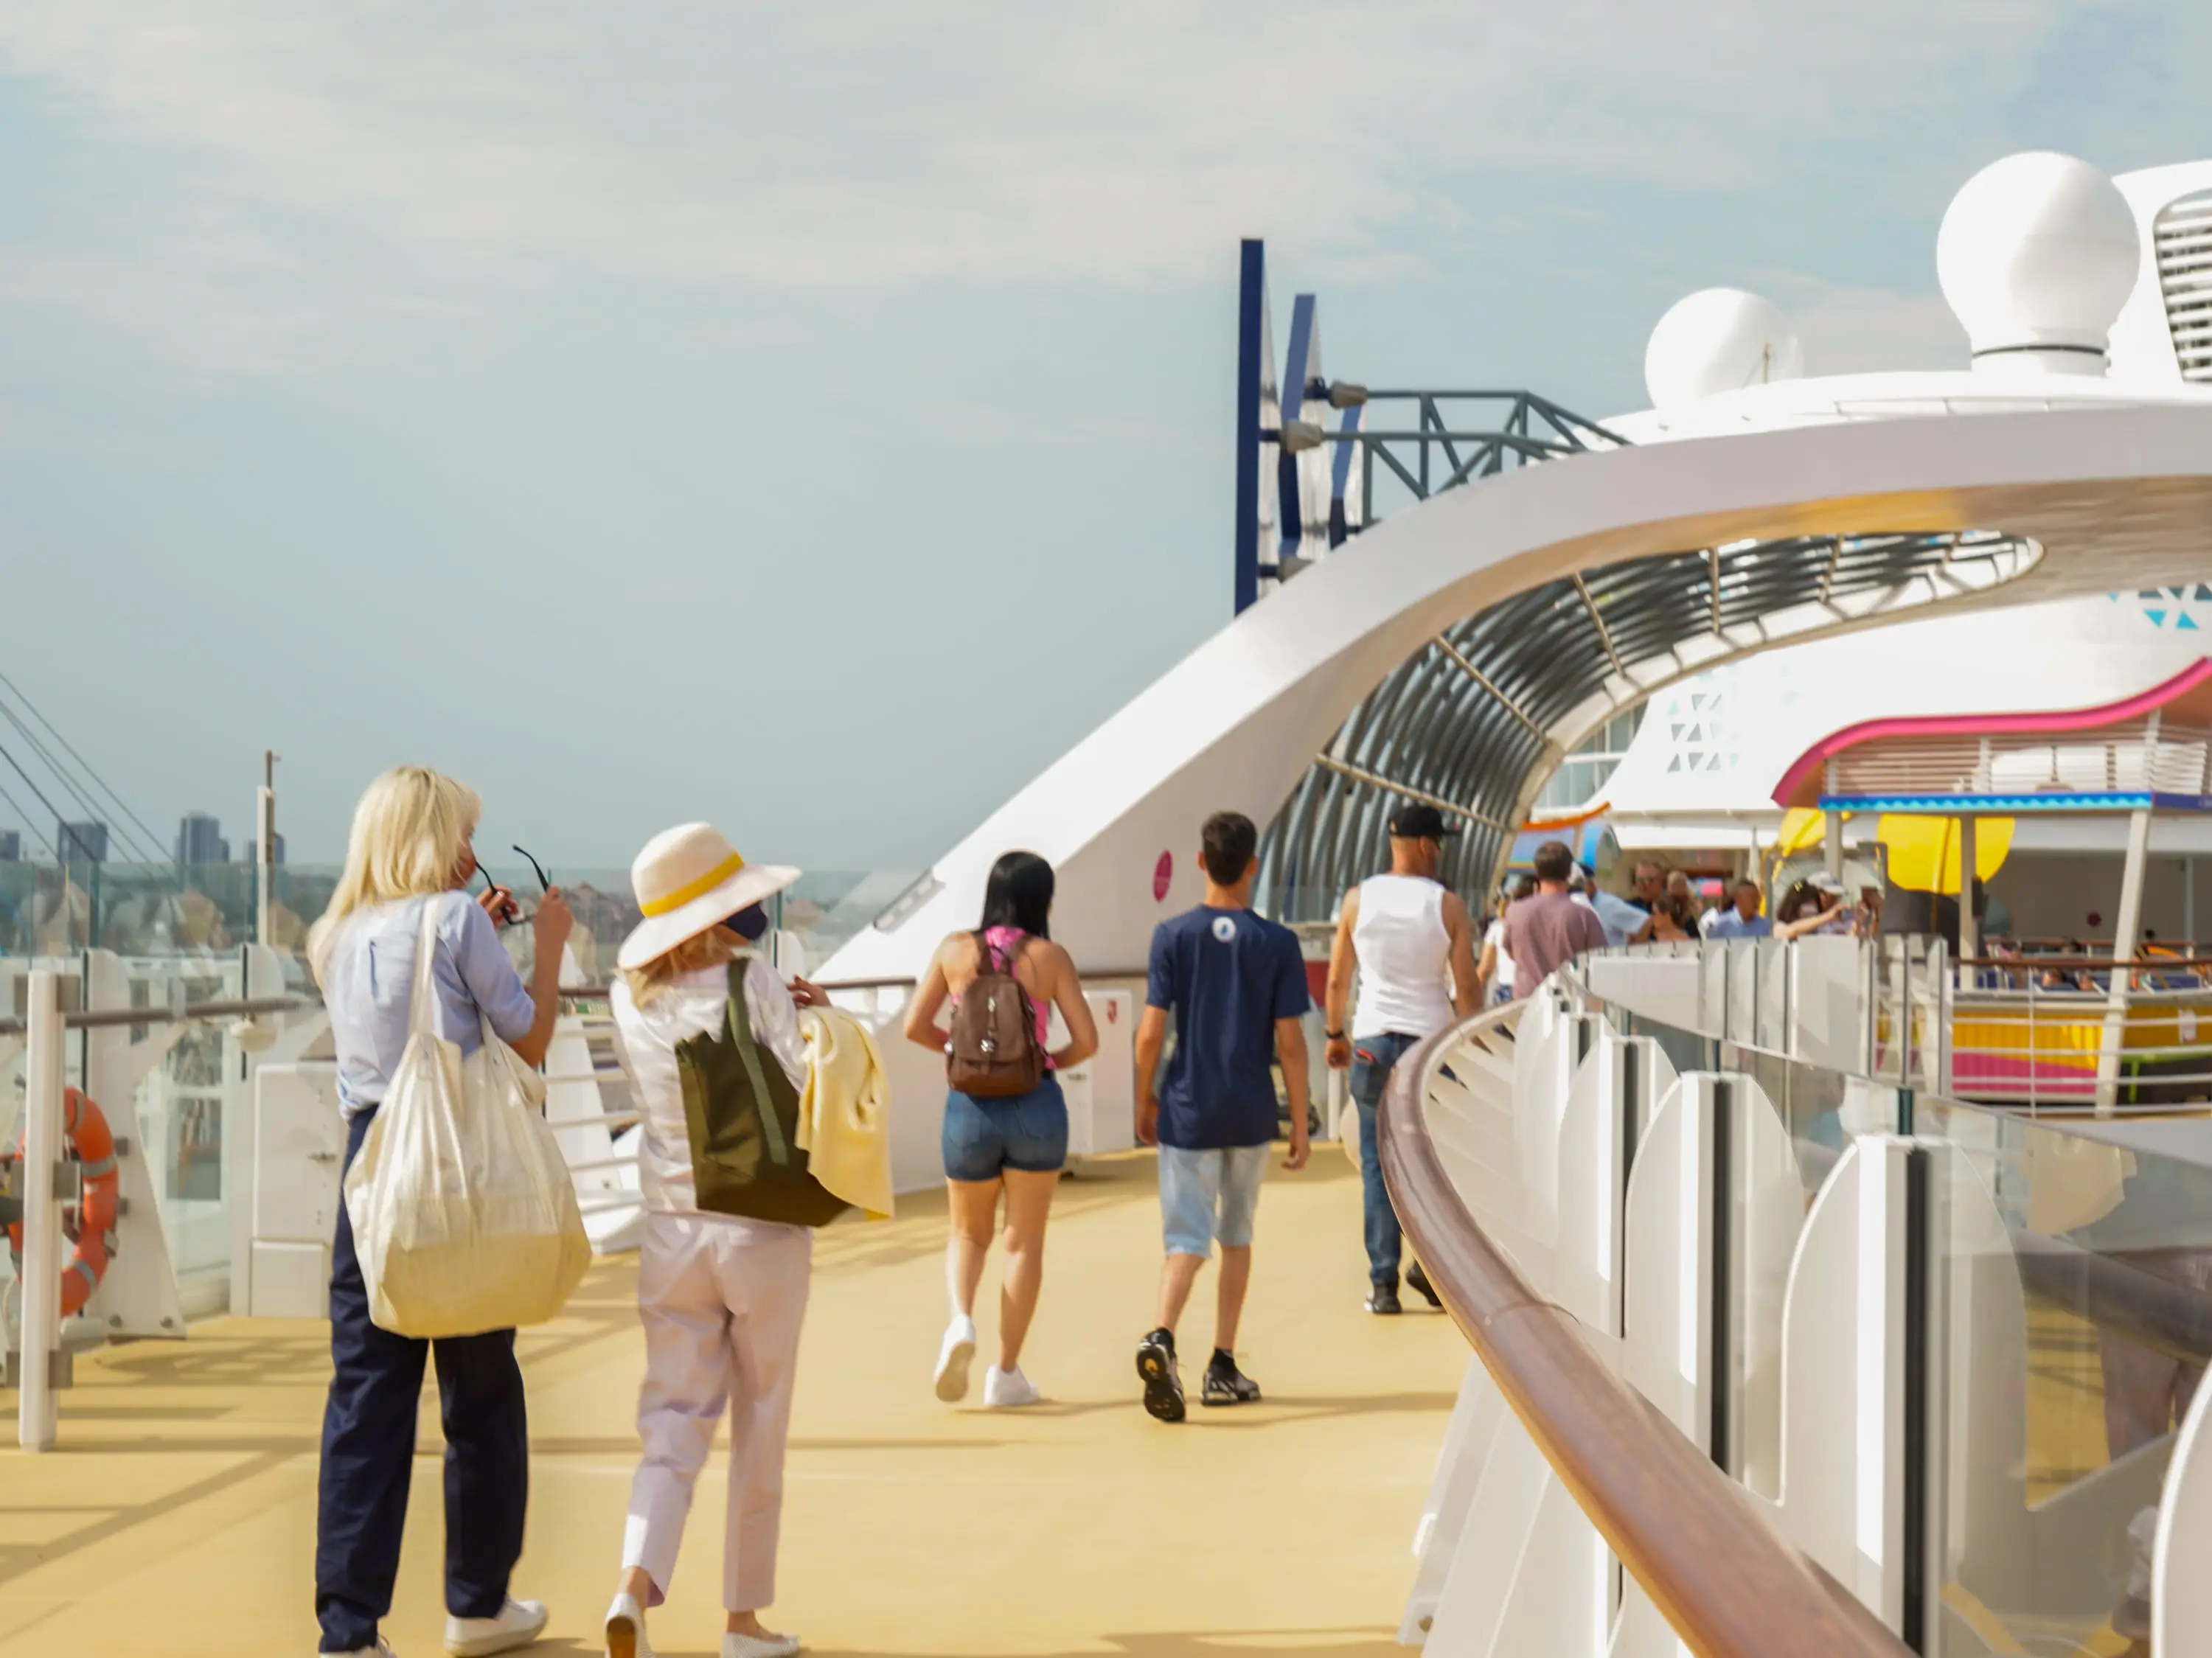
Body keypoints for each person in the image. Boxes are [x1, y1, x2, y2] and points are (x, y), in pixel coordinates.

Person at [307, 766, 573, 1658]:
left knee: (366, 1400)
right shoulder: (455, 920)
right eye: (461, 832)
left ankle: (349, 1632)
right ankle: (477, 1601)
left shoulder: (334, 934)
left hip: (371, 1174)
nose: (470, 848)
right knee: (482, 1389)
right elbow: (528, 1035)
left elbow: (401, 1009)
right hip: (458, 1172)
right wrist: (548, 942)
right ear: (430, 835)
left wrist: (476, 928)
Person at [601, 822, 834, 1658]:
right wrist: (819, 1025)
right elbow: (800, 1092)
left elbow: (646, 1100)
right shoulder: (755, 978)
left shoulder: (629, 992)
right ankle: (742, 1621)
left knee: (670, 1420)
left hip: (671, 1232)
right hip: (760, 1230)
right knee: (760, 1417)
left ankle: (634, 1583)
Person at [1132, 811, 1312, 1421]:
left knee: (1186, 1237)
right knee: (1236, 1233)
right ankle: (1222, 1364)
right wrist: (1303, 1123)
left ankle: (1161, 1334)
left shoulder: (1172, 936)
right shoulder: (1278, 943)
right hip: (1250, 1110)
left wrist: (1144, 1100)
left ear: (1201, 862)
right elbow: (1291, 1040)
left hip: (1188, 1109)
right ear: (1253, 866)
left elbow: (1151, 1033)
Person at [905, 851, 1098, 1407]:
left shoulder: (954, 950)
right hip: (1035, 1103)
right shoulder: (1049, 956)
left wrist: (963, 1053)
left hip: (969, 1106)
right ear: (1045, 901)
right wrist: (1042, 1059)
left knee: (968, 1232)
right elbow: (1087, 1040)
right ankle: (1006, 1374)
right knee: (1023, 1241)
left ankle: (960, 1321)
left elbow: (918, 1026)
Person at [1323, 804, 1481, 1314]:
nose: (1439, 851)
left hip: (1371, 1040)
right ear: (1423, 844)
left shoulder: (1356, 900)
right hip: (1430, 1047)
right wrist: (1472, 1041)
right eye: (1437, 842)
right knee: (1435, 1165)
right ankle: (1431, 1270)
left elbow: (1337, 979)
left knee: (1375, 1163)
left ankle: (1383, 1283)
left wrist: (1334, 1033)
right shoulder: (1448, 906)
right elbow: (1468, 987)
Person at [1502, 839, 1609, 994]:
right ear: (1569, 873)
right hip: (1570, 1002)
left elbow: (1512, 953)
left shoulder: (1514, 911)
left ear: (1537, 872)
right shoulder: (1584, 916)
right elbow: (1600, 960)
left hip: (1526, 1004)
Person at [1476, 877, 1534, 1006]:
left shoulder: (1498, 927)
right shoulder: (1545, 927)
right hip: (1537, 994)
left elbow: (1484, 970)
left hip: (1507, 995)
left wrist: (1474, 1008)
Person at [1706, 879, 1773, 940]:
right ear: (1738, 900)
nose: (1757, 902)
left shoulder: (1764, 925)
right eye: (1752, 898)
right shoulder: (1722, 925)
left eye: (1758, 898)